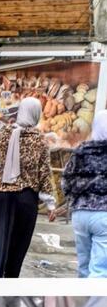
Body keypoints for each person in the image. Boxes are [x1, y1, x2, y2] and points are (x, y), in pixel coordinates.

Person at [0, 98, 56, 277]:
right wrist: (50, 204)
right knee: (18, 248)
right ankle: (9, 282)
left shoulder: (4, 134)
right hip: (25, 200)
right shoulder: (40, 141)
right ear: (36, 114)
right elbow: (44, 173)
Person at [61, 110, 107, 277]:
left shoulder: (81, 150)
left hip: (80, 214)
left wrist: (73, 200)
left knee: (83, 267)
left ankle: (80, 301)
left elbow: (65, 180)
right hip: (104, 215)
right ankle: (96, 303)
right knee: (100, 271)